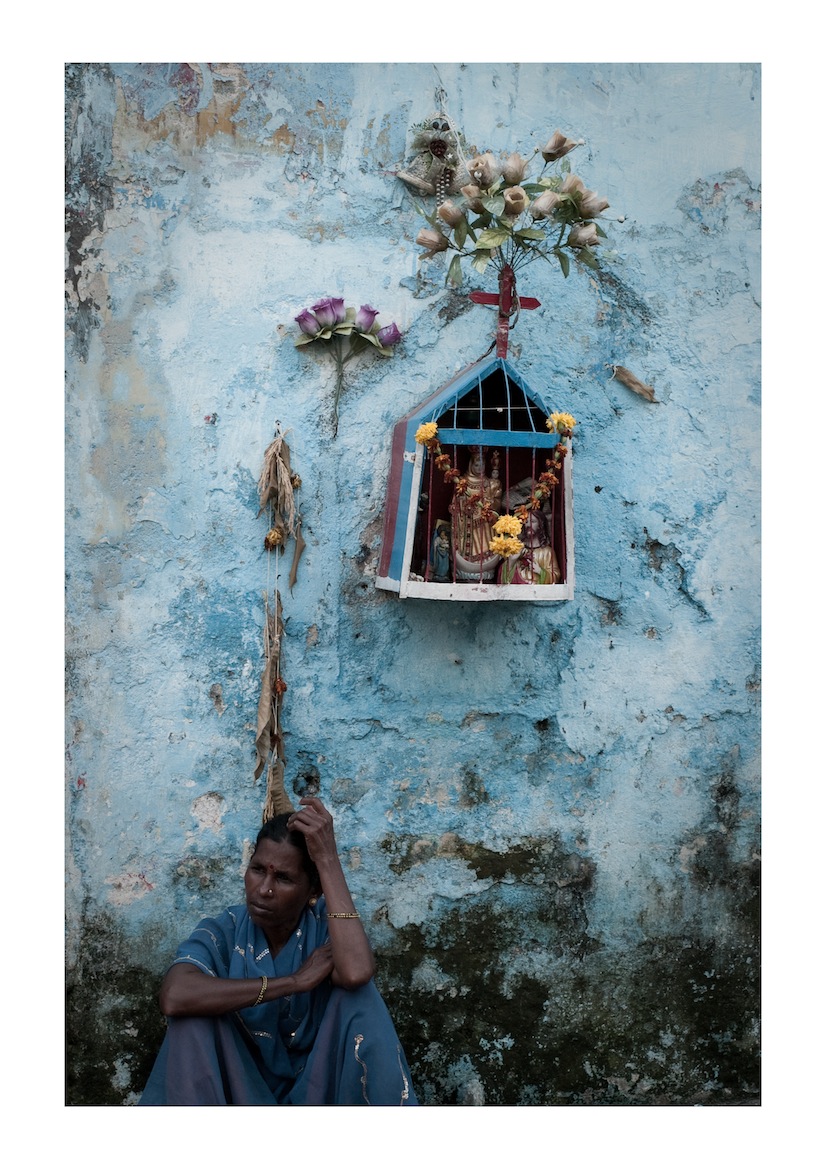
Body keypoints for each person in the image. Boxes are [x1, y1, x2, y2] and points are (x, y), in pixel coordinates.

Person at [139, 797, 417, 1106]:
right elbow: (174, 996)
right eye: (258, 870)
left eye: (283, 878)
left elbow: (356, 972)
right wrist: (293, 982)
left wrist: (327, 859)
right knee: (192, 1016)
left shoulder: (330, 930)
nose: (264, 889)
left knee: (360, 999)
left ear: (313, 891)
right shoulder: (225, 930)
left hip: (318, 1085)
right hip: (239, 1085)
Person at [449, 448, 503, 580]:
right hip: (467, 522)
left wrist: (491, 505)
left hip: (485, 523)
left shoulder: (489, 483)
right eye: (477, 465)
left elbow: (497, 503)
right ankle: (467, 564)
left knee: (486, 545)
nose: (480, 468)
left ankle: (486, 564)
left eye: (483, 465)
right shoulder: (462, 482)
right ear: (470, 465)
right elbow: (456, 502)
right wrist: (463, 505)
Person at [498, 510, 562, 585]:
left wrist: (540, 571)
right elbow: (503, 579)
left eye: (533, 521)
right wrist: (511, 561)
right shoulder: (517, 548)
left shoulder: (547, 552)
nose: (528, 525)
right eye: (526, 522)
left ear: (540, 524)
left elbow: (556, 576)